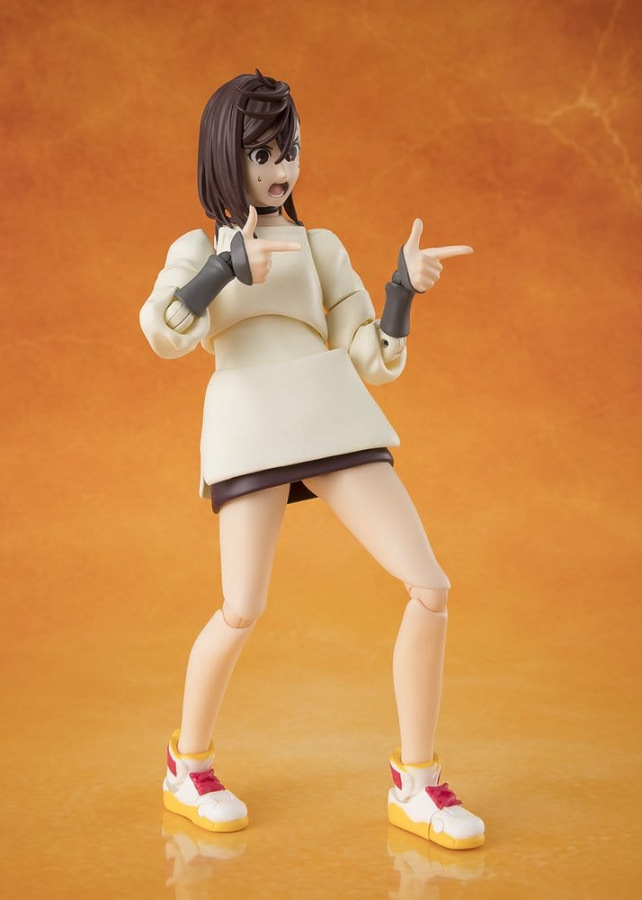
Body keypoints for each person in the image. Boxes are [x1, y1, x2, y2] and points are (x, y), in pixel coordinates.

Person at [139, 70, 485, 850]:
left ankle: (417, 781)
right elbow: (163, 331)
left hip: (331, 415)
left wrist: (401, 290)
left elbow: (371, 355)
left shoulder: (320, 245)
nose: (280, 168)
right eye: (261, 153)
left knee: (429, 587)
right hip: (251, 426)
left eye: (288, 149)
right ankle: (187, 766)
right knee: (241, 608)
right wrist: (223, 269)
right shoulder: (200, 247)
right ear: (225, 156)